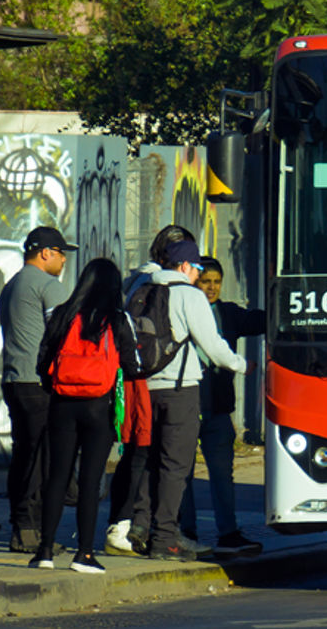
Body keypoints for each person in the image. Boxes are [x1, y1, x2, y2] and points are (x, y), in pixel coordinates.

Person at [30, 258, 137, 573]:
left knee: (57, 477)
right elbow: (132, 365)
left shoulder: (63, 315)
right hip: (99, 407)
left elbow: (43, 361)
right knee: (90, 481)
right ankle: (84, 554)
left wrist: (56, 386)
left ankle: (44, 551)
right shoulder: (117, 320)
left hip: (62, 404)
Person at [143, 240, 248, 561]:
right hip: (182, 392)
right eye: (201, 274)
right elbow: (213, 346)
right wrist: (241, 365)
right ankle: (171, 536)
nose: (207, 283)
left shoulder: (146, 291)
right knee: (177, 469)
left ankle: (154, 530)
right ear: (187, 268)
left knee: (159, 466)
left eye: (214, 280)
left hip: (152, 389)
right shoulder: (190, 296)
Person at [107, 224, 196, 559]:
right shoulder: (166, 285)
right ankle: (131, 527)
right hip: (164, 382)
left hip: (136, 379)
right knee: (151, 459)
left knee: (141, 455)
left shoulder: (136, 281)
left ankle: (136, 526)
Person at [178, 257, 265, 557]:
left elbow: (260, 320)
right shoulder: (183, 308)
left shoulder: (228, 314)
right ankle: (185, 531)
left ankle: (228, 533)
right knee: (182, 473)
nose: (212, 287)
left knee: (222, 475)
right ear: (195, 282)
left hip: (217, 410)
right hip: (186, 406)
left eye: (216, 281)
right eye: (205, 281)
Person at [0, 226, 76, 553]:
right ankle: (31, 532)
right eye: (60, 254)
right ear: (46, 253)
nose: (63, 261)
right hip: (39, 384)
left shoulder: (12, 285)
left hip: (14, 380)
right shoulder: (47, 286)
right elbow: (64, 336)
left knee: (24, 455)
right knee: (40, 459)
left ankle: (22, 527)